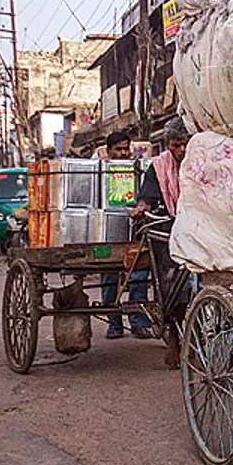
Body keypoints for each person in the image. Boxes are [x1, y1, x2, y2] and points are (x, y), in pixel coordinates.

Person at [101, 132, 150, 339]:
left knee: (139, 278)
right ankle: (114, 324)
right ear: (108, 151)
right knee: (109, 279)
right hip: (108, 235)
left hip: (135, 233)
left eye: (125, 149)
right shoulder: (100, 171)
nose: (122, 153)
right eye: (118, 149)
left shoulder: (137, 170)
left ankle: (138, 322)